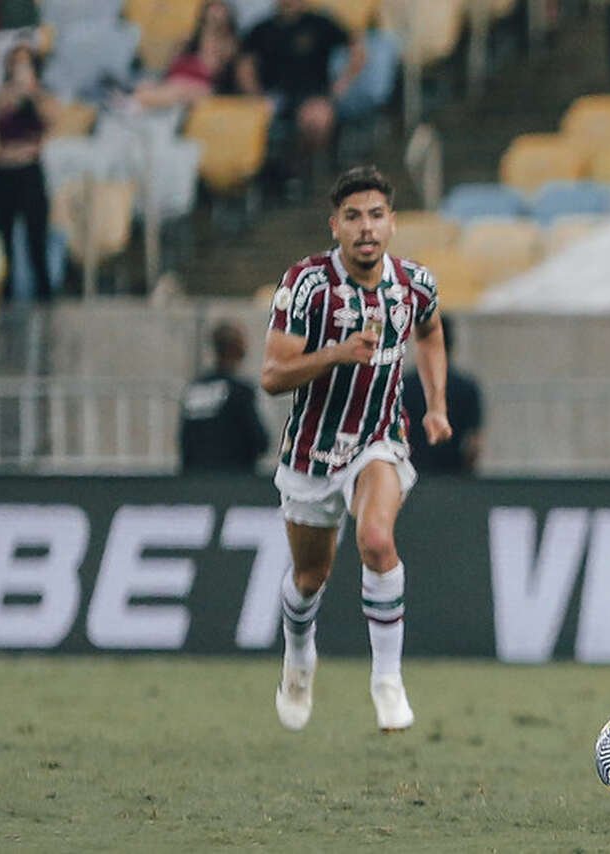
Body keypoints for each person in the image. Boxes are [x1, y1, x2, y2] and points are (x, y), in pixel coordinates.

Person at [260, 165, 451, 733]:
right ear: (335, 226)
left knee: (375, 539)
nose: (365, 228)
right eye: (352, 217)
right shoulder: (307, 285)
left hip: (380, 440)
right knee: (309, 578)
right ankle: (298, 658)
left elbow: (431, 332)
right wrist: (336, 355)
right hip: (313, 453)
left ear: (391, 223)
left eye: (375, 215)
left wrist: (436, 403)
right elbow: (272, 375)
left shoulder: (416, 284)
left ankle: (387, 680)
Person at [235, 0, 364, 158]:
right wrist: (255, 96)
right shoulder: (262, 28)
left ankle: (311, 169)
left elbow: (356, 49)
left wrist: (342, 84)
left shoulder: (320, 23)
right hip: (275, 96)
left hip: (315, 94)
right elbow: (244, 65)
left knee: (317, 119)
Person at [0, 42, 52, 303]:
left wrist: (31, 94)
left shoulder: (41, 96)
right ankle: (6, 298)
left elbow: (50, 125)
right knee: (5, 242)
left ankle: (44, 298)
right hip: (4, 175)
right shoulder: (1, 97)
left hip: (31, 173)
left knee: (36, 243)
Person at [178, 319, 269, 473]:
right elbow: (260, 442)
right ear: (239, 349)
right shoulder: (240, 390)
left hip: (196, 480)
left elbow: (185, 440)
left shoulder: (194, 388)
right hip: (234, 482)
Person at [401, 314, 483, 475]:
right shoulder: (467, 387)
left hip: (413, 475)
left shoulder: (403, 385)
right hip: (454, 478)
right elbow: (474, 444)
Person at [127, 0, 239, 111]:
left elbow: (211, 70)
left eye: (218, 17)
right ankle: (136, 105)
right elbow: (171, 66)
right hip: (173, 83)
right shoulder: (189, 41)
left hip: (198, 87)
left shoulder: (227, 45)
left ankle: (134, 105)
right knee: (145, 85)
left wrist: (211, 38)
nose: (213, 19)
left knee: (174, 92)